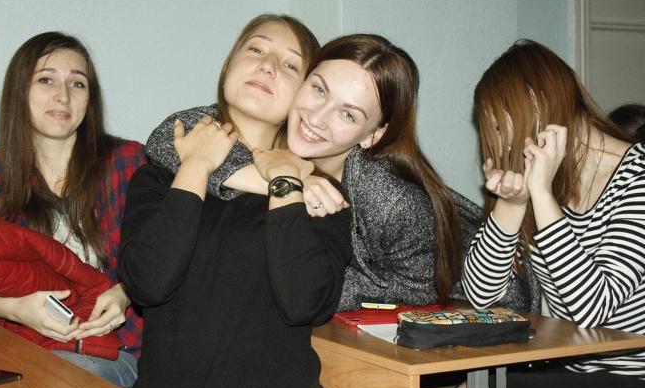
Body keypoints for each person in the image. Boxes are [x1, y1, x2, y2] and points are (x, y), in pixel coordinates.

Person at [84, 14, 350, 388]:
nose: (267, 66)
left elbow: (303, 302)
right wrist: (195, 167)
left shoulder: (316, 193)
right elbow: (148, 283)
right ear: (229, 65)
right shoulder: (160, 177)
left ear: (305, 96)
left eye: (290, 65)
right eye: (256, 49)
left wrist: (285, 179)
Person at [146, 34, 534, 312]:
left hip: (485, 315)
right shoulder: (276, 141)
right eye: (318, 90)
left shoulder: (389, 197)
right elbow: (168, 137)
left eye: (348, 114)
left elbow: (426, 288)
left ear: (373, 135)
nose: (316, 118)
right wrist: (280, 182)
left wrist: (332, 284)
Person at [424, 40, 645, 388]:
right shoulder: (548, 178)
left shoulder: (637, 179)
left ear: (538, 103)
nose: (496, 143)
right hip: (573, 377)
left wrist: (541, 196)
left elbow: (591, 310)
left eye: (500, 126)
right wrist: (512, 205)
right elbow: (480, 297)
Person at [0, 32, 146, 388]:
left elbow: (167, 253)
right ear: (19, 91)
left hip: (111, 352)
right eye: (46, 80)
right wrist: (15, 308)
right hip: (15, 353)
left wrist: (126, 291)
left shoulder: (128, 163)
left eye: (77, 83)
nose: (63, 95)